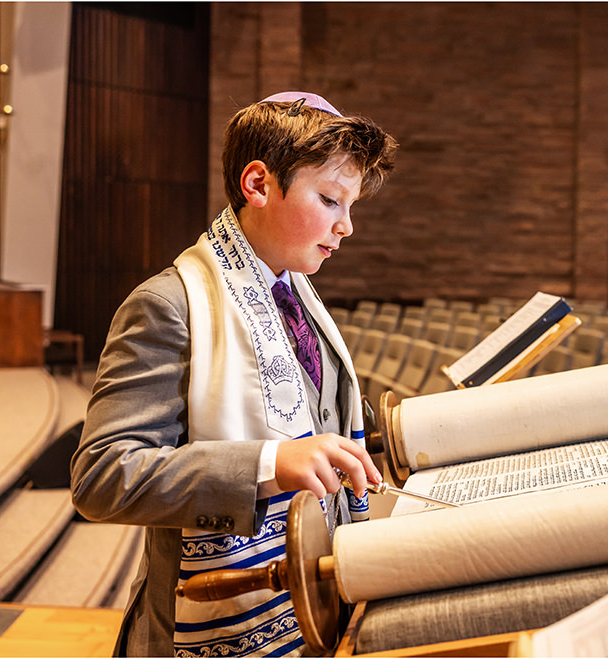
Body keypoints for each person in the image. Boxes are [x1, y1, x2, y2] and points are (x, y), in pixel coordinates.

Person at [70, 92, 397, 657]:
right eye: (330, 200)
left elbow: (320, 419)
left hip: (312, 606)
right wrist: (269, 464)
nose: (347, 227)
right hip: (210, 620)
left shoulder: (295, 293)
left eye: (351, 207)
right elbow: (102, 477)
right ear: (258, 184)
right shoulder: (168, 305)